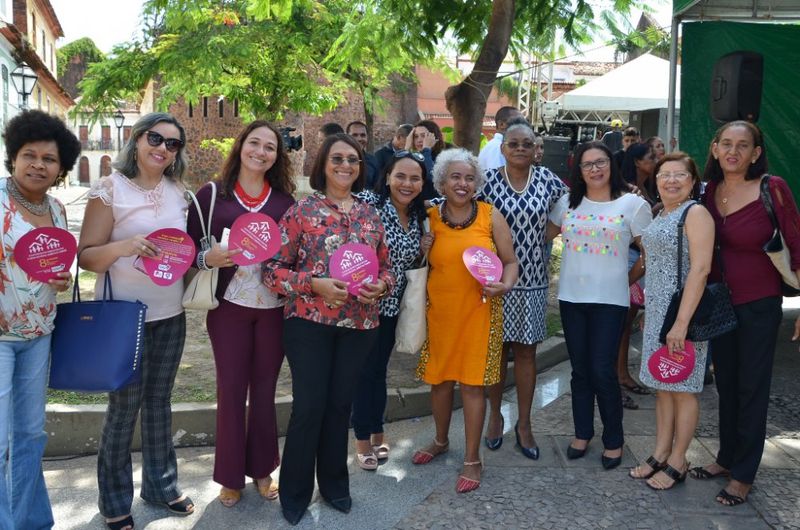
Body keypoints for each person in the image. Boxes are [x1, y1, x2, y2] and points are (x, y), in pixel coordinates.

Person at [263, 133, 394, 525]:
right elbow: (272, 272)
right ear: (323, 165)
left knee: (340, 407)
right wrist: (313, 284)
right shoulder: (302, 211)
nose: (345, 166)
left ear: (361, 167)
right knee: (309, 407)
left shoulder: (371, 214)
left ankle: (336, 487)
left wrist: (382, 286)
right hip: (309, 324)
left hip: (359, 325)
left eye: (353, 160)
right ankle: (295, 493)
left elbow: (387, 267)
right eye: (337, 159)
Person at [78, 113, 194, 530]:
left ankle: (161, 487)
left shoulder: (180, 193)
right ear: (138, 139)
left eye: (173, 144)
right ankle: (114, 502)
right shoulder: (110, 189)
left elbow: (185, 253)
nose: (162, 148)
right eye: (155, 138)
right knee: (123, 410)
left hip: (170, 313)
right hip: (122, 318)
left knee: (160, 404)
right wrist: (125, 246)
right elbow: (87, 256)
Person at [691, 121, 800, 506]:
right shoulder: (705, 193)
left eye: (742, 145)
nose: (733, 151)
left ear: (755, 153)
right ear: (715, 149)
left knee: (753, 386)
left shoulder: (773, 189)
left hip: (760, 303)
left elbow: (797, 245)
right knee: (727, 384)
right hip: (720, 302)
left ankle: (744, 474)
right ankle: (726, 457)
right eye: (726, 144)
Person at [186, 121, 295, 507]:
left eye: (270, 147)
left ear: (276, 157)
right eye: (254, 143)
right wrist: (207, 257)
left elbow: (296, 255)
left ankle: (263, 469)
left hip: (272, 310)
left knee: (264, 391)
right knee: (231, 390)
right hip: (228, 308)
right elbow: (189, 254)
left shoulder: (285, 202)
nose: (261, 152)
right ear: (241, 146)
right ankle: (229, 476)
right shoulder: (211, 195)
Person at [412, 148, 519, 493]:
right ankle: (441, 440)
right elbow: (414, 266)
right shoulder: (429, 217)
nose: (463, 183)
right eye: (455, 177)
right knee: (440, 382)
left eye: (469, 178)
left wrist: (505, 284)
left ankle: (473, 458)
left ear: (477, 183)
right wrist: (422, 248)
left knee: (473, 385)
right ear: (441, 182)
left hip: (480, 312)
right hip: (439, 314)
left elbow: (511, 261)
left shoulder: (490, 215)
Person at [547, 141, 651, 470]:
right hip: (572, 299)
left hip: (611, 301)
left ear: (612, 164)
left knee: (603, 371)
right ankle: (582, 433)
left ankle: (614, 440)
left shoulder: (632, 204)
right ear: (578, 170)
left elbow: (651, 253)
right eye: (587, 164)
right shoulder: (566, 203)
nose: (595, 169)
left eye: (600, 162)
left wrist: (627, 279)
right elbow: (541, 239)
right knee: (580, 372)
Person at [0, 110, 79, 530]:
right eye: (29, 155)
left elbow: (57, 266)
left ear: (60, 168)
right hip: (0, 336)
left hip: (40, 333)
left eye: (49, 159)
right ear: (13, 157)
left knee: (31, 437)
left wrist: (64, 279)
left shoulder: (57, 210)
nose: (38, 164)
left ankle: (31, 521)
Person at [482, 123, 568, 459]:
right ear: (503, 148)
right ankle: (494, 415)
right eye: (513, 143)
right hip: (495, 281)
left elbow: (566, 212)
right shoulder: (487, 181)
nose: (520, 148)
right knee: (496, 353)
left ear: (536, 148)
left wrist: (538, 241)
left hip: (532, 281)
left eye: (527, 144)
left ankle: (525, 424)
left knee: (527, 354)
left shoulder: (548, 180)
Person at [631, 152, 714, 489]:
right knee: (663, 387)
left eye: (680, 174)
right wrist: (650, 314)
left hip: (684, 314)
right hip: (659, 313)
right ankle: (661, 451)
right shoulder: (662, 212)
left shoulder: (696, 214)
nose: (671, 180)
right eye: (665, 174)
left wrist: (680, 323)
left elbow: (701, 269)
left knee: (684, 389)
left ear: (693, 181)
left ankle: (679, 459)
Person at [351, 151, 433, 469]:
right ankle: (363, 439)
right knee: (364, 373)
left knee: (378, 372)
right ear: (387, 177)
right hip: (365, 304)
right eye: (400, 175)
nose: (407, 183)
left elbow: (406, 263)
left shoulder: (418, 216)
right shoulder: (370, 204)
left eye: (415, 178)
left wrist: (423, 250)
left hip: (393, 306)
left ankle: (376, 431)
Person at [616, 142, 659, 410]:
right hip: (629, 258)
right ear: (636, 162)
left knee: (627, 323)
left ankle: (622, 374)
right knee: (619, 323)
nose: (656, 160)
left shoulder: (649, 187)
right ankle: (617, 377)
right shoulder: (626, 191)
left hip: (642, 260)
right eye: (651, 156)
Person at [406, 119, 446, 200]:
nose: (419, 140)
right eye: (416, 136)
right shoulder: (413, 157)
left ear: (434, 137)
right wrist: (406, 148)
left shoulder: (444, 158)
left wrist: (426, 150)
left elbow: (431, 177)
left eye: (423, 135)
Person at [478, 106, 524, 172]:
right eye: (517, 121)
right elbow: (498, 178)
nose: (521, 125)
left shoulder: (499, 145)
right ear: (501, 124)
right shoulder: (496, 147)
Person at [346, 120, 380, 189]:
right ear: (347, 137)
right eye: (354, 135)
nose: (359, 139)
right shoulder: (339, 160)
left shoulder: (373, 161)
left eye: (363, 135)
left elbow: (377, 188)